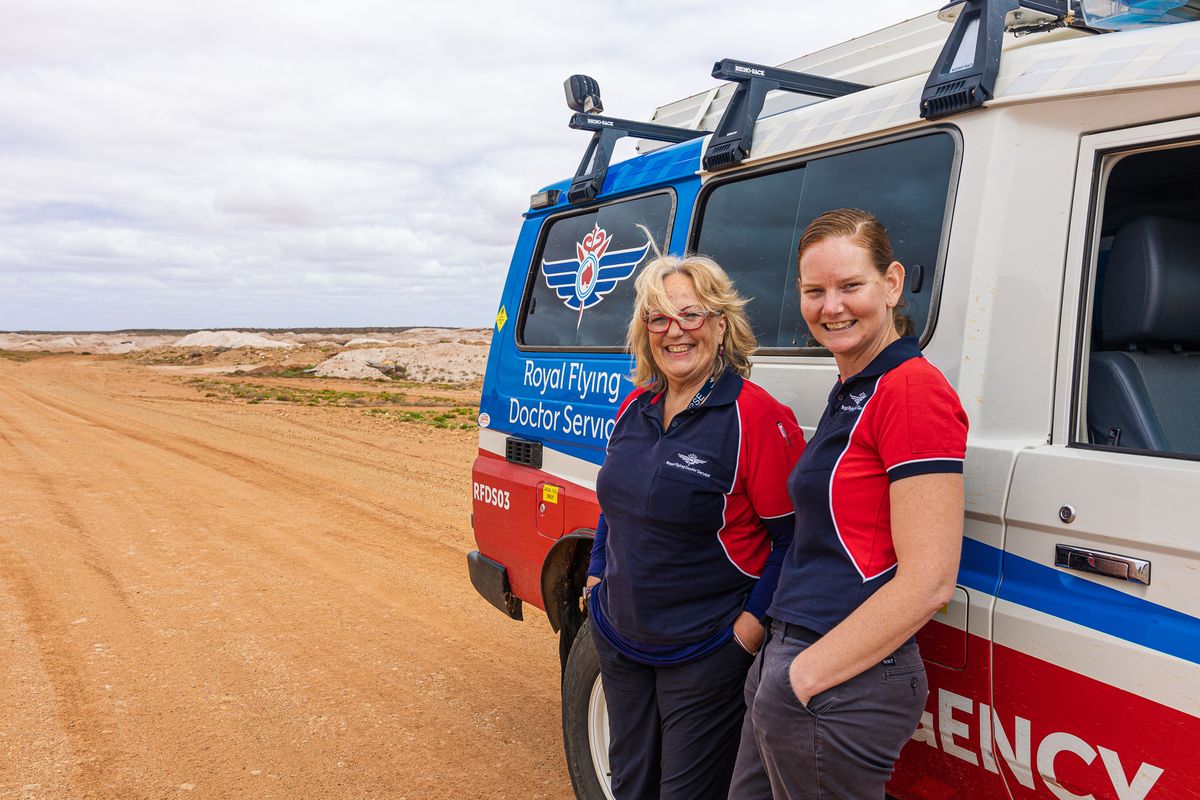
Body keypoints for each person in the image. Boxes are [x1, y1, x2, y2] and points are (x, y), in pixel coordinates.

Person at [729, 208, 969, 799]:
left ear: (891, 284)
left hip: (841, 677)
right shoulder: (855, 385)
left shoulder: (912, 389)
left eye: (849, 286)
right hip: (798, 656)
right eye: (814, 291)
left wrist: (800, 680)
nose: (831, 306)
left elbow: (930, 581)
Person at [584, 247, 805, 800]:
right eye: (659, 318)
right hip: (619, 638)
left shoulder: (756, 416)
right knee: (628, 785)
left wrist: (745, 636)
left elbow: (791, 541)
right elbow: (616, 502)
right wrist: (595, 575)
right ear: (645, 330)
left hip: (704, 653)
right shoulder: (635, 404)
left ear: (720, 324)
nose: (674, 331)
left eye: (691, 315)